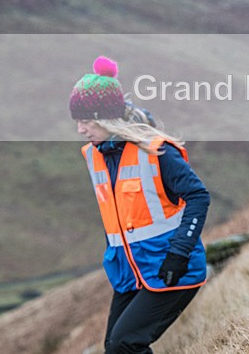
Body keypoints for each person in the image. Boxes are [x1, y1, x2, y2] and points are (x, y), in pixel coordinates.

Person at [69, 56, 210, 353]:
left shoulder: (155, 152)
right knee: (115, 347)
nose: (81, 130)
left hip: (173, 267)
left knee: (124, 344)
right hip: (131, 273)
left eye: (86, 121)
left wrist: (179, 254)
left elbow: (199, 197)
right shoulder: (95, 155)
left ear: (106, 118)